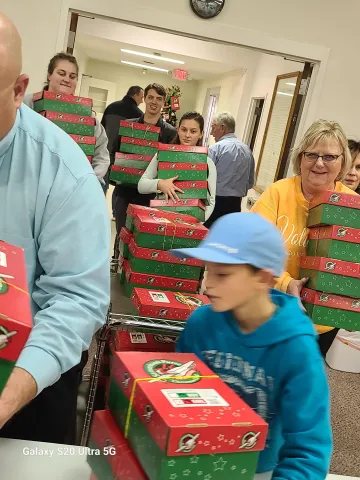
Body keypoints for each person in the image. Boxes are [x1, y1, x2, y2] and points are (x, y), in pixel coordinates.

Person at [0, 14, 110, 444]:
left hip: (27, 374)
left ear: (19, 90)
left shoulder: (64, 172)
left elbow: (76, 300)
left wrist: (8, 397)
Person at [173, 213, 331, 480]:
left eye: (222, 274)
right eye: (208, 270)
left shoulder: (296, 350)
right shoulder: (201, 322)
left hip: (258, 470)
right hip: (192, 455)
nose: (208, 284)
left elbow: (308, 450)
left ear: (264, 278)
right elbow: (172, 393)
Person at [252, 119, 354, 357]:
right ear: (300, 158)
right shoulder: (278, 193)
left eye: (329, 157)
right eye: (311, 155)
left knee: (300, 383)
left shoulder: (351, 206)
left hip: (321, 323)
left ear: (342, 163)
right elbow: (252, 249)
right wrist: (285, 283)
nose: (319, 163)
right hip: (271, 311)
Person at [22, 52, 110, 189]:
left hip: (70, 190)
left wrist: (90, 182)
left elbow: (101, 155)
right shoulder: (27, 104)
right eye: (61, 73)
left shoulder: (87, 116)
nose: (67, 79)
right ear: (49, 75)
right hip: (27, 183)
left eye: (72, 76)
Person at [112, 83, 177, 258]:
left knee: (144, 238)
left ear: (164, 102)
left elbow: (169, 165)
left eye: (159, 99)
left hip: (151, 195)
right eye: (150, 97)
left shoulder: (171, 133)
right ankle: (116, 263)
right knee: (122, 232)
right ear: (144, 99)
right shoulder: (128, 126)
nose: (154, 102)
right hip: (125, 191)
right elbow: (116, 152)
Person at [138, 111, 216, 222]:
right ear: (178, 130)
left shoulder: (207, 163)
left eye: (193, 131)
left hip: (190, 224)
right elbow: (141, 185)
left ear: (201, 134)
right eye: (184, 130)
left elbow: (211, 201)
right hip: (160, 220)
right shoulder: (162, 155)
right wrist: (160, 184)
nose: (187, 135)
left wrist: (197, 222)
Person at [205, 112, 255, 228]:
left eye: (213, 127)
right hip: (236, 206)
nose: (211, 132)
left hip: (214, 204)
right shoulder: (247, 150)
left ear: (222, 128)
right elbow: (251, 182)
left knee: (207, 237)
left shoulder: (215, 149)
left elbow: (203, 177)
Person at [101, 85, 144, 200]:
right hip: (124, 154)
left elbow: (102, 128)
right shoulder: (138, 114)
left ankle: (99, 204)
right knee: (120, 185)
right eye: (141, 97)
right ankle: (116, 213)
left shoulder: (111, 107)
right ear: (135, 95)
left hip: (105, 149)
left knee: (102, 180)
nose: (142, 100)